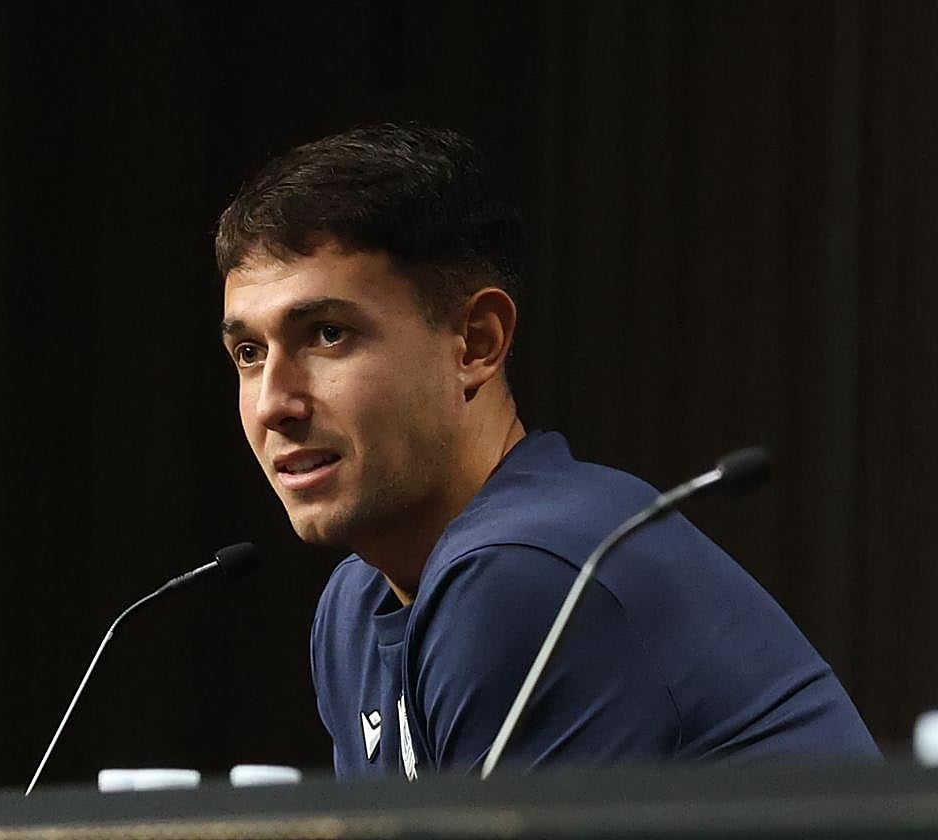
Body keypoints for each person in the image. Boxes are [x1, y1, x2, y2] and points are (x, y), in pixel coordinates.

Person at [214, 123, 879, 778]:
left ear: (475, 342)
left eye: (328, 334)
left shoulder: (524, 572)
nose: (274, 403)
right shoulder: (355, 610)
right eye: (249, 353)